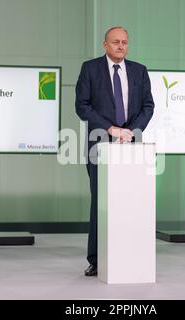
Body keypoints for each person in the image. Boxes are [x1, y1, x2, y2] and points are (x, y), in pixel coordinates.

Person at [75, 26, 154, 276]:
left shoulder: (139, 71)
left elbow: (148, 106)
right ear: (105, 45)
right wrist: (111, 129)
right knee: (102, 201)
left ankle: (128, 254)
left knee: (130, 200)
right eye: (116, 42)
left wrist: (132, 130)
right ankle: (97, 259)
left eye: (125, 42)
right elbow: (82, 106)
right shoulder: (90, 68)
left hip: (131, 145)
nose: (121, 46)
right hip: (100, 144)